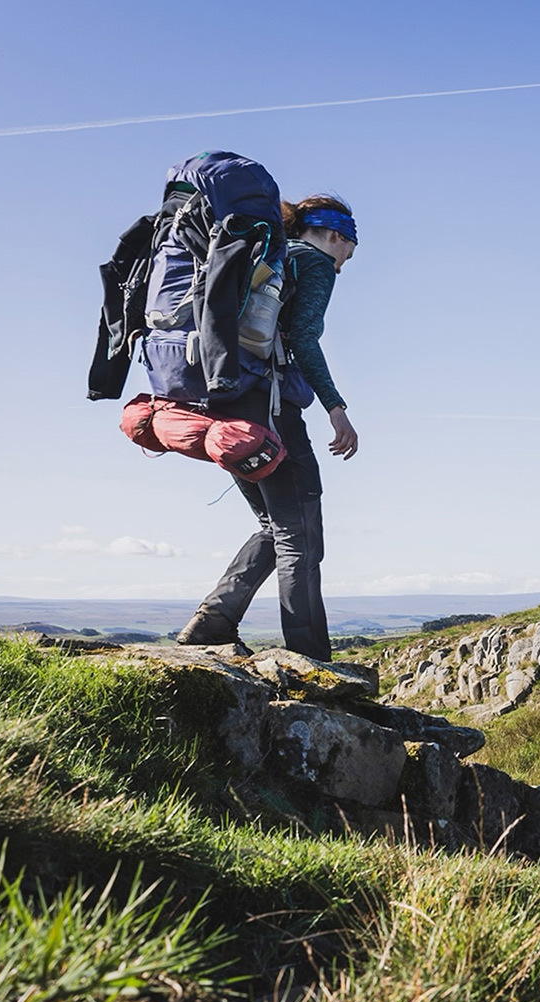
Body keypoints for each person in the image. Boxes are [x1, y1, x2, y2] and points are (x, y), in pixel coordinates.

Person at [176, 196, 361, 659]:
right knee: (300, 535)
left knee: (273, 524)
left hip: (223, 406)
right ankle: (310, 658)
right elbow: (304, 337)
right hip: (272, 409)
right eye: (347, 255)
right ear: (336, 235)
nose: (340, 268)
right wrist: (335, 407)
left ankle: (213, 623)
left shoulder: (269, 262)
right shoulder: (313, 262)